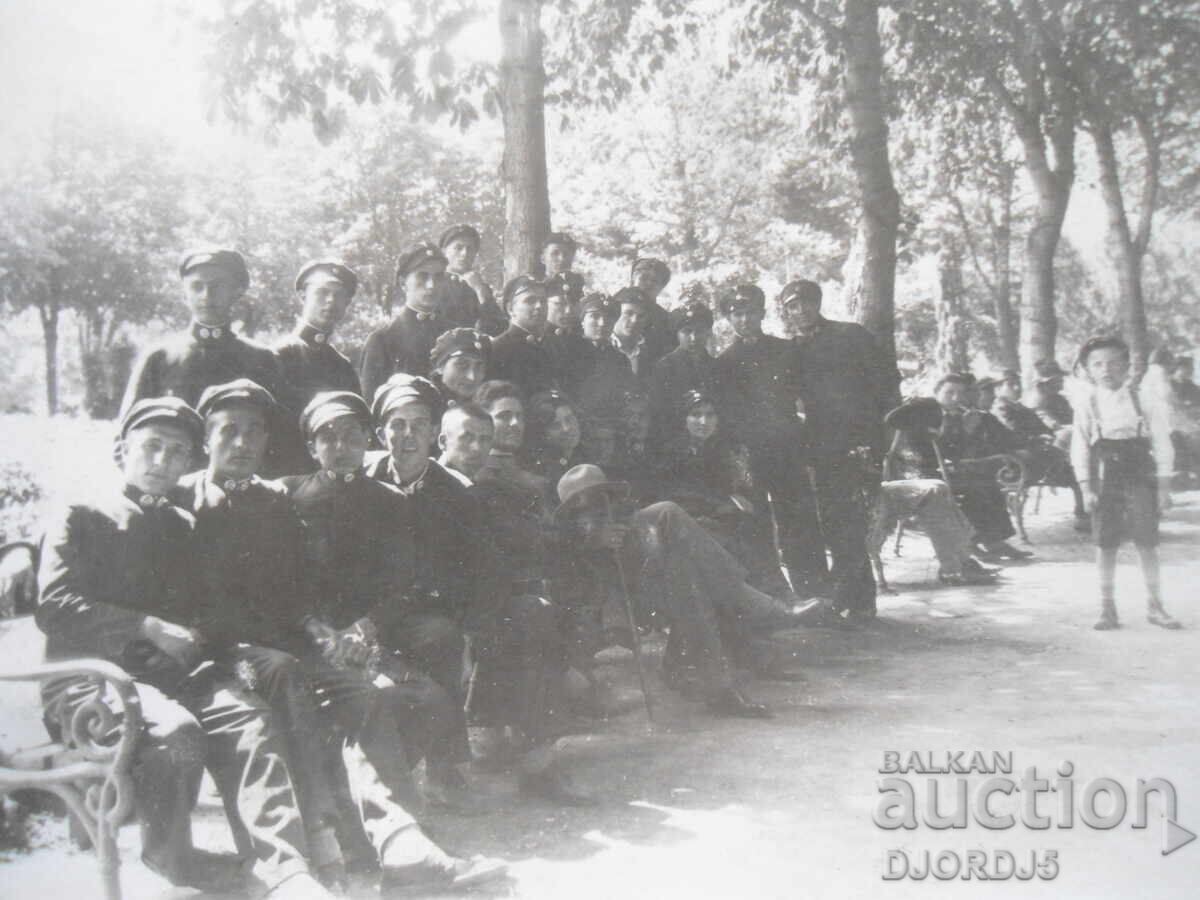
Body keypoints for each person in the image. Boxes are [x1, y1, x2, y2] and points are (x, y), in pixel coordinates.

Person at [175, 379, 505, 891]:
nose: (241, 444)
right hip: (217, 656)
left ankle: (399, 839)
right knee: (289, 688)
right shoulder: (180, 499)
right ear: (205, 440)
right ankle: (322, 844)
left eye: (253, 433)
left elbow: (297, 588)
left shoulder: (272, 499)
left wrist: (323, 632)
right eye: (228, 431)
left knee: (360, 695)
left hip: (291, 645)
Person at [36, 397, 334, 898]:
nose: (163, 461)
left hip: (167, 674)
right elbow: (54, 605)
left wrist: (209, 643)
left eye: (177, 452)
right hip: (88, 681)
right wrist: (147, 627)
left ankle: (282, 868)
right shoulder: (81, 515)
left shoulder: (182, 524)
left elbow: (206, 607)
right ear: (121, 451)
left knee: (246, 717)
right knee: (178, 733)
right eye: (152, 447)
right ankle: (172, 858)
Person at [549, 465, 818, 719]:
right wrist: (593, 545)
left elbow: (652, 551)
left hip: (660, 587)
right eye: (583, 501)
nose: (596, 504)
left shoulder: (623, 519)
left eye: (601, 495)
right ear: (571, 509)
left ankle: (717, 685)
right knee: (668, 514)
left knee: (685, 572)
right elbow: (581, 593)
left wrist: (627, 538)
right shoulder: (567, 544)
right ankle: (764, 609)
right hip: (623, 607)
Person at [437, 404, 592, 805]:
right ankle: (530, 752)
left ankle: (530, 751)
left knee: (534, 612)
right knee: (529, 618)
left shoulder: (481, 489)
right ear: (443, 441)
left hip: (480, 600)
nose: (476, 448)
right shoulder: (438, 487)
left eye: (484, 440)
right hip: (440, 606)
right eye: (466, 438)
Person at [363, 375, 499, 793]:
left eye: (418, 425)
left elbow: (478, 571)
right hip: (365, 612)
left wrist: (470, 633)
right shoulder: (362, 480)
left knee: (441, 638)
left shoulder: (456, 495)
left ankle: (443, 766)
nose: (407, 436)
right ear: (381, 433)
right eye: (397, 425)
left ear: (433, 434)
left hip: (422, 613)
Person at [784, 279, 893, 621]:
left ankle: (859, 600)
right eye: (792, 306)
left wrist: (878, 439)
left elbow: (886, 383)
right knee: (833, 522)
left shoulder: (850, 335)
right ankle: (849, 598)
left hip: (858, 443)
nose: (801, 310)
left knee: (851, 522)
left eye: (806, 302)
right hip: (821, 446)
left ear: (818, 303)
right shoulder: (793, 349)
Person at [118, 249, 286, 468]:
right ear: (184, 292)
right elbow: (125, 436)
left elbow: (278, 436)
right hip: (173, 480)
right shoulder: (159, 357)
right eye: (197, 286)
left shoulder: (261, 359)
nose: (206, 295)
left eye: (217, 286)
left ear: (237, 291)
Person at [713, 284, 826, 599]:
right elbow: (725, 416)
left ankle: (815, 592)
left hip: (787, 450)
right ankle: (773, 596)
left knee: (800, 520)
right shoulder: (724, 362)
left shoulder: (786, 351)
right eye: (737, 314)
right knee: (756, 524)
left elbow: (807, 398)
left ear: (762, 313)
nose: (744, 319)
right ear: (729, 319)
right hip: (751, 455)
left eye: (750, 312)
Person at [1071, 336, 1181, 631]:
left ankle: (1155, 606)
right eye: (1098, 364)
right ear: (1088, 369)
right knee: (1105, 543)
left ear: (1127, 365)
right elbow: (1079, 447)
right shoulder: (1087, 403)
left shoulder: (1144, 399)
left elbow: (1162, 443)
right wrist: (1086, 488)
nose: (1106, 369)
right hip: (1104, 474)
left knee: (1147, 541)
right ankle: (1107, 608)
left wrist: (1163, 489)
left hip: (1139, 471)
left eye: (1113, 363)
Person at [655, 389, 791, 599]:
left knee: (753, 525)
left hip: (722, 513)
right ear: (684, 419)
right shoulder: (671, 452)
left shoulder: (725, 450)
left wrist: (736, 497)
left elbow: (741, 485)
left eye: (710, 415)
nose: (703, 421)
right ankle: (766, 598)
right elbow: (672, 493)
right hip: (689, 517)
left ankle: (778, 594)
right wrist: (717, 504)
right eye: (696, 415)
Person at [876, 398, 1000, 586]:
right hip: (893, 488)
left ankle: (962, 561)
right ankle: (957, 565)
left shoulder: (916, 435)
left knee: (940, 491)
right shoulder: (906, 435)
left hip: (910, 485)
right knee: (937, 492)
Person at [910, 373, 1032, 561]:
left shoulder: (959, 415)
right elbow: (930, 451)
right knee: (975, 487)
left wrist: (968, 432)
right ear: (936, 392)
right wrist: (964, 431)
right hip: (927, 471)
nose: (955, 398)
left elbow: (960, 451)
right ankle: (971, 543)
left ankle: (995, 542)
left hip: (950, 469)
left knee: (987, 482)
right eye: (949, 392)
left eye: (960, 393)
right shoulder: (926, 415)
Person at [272, 259, 363, 473]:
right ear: (303, 295)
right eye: (322, 292)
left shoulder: (342, 365)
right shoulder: (279, 355)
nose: (331, 301)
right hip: (287, 473)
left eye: (339, 295)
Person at [991, 368, 1088, 527]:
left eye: (1017, 383)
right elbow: (1010, 436)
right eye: (1010, 384)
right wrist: (1037, 438)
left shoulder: (1018, 406)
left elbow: (1042, 428)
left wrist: (1045, 435)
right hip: (1018, 464)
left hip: (1037, 458)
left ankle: (1083, 513)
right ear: (998, 389)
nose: (1016, 387)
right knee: (1075, 469)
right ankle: (1082, 514)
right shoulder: (1002, 408)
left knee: (1077, 469)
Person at [359, 242, 450, 401]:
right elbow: (371, 404)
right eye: (422, 276)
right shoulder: (382, 340)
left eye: (438, 277)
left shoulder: (452, 334)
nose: (431, 285)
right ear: (402, 283)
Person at [647, 301, 718, 452]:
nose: (693, 338)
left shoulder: (717, 367)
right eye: (687, 331)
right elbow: (658, 413)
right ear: (677, 333)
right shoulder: (664, 367)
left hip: (712, 444)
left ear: (708, 332)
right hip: (673, 444)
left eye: (699, 331)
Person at [490, 275, 559, 398]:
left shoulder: (553, 344)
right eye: (530, 301)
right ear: (510, 309)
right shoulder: (498, 349)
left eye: (543, 301)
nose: (539, 306)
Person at [439, 224, 507, 334]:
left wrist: (479, 290)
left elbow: (500, 328)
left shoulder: (480, 286)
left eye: (470, 249)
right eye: (458, 248)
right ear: (444, 251)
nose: (465, 253)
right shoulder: (436, 283)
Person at [629, 256, 675, 364]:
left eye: (655, 281)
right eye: (644, 278)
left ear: (661, 287)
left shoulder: (666, 320)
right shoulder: (615, 308)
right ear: (633, 279)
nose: (649, 284)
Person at [610, 286, 661, 383]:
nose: (634, 320)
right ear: (615, 313)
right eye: (628, 313)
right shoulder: (603, 344)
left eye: (641, 316)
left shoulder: (651, 348)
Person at [430, 327, 491, 407]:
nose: (472, 377)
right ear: (440, 367)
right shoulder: (424, 400)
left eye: (479, 366)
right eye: (462, 365)